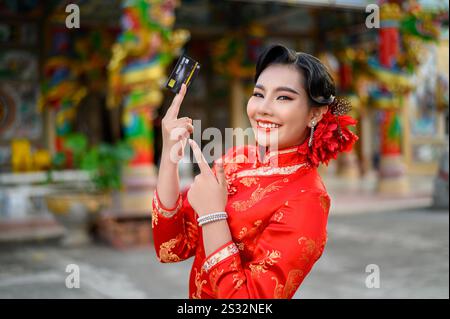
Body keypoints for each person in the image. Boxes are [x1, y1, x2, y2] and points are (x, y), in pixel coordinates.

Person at [152, 44, 358, 299]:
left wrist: (213, 215)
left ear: (314, 114)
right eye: (259, 94)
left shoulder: (308, 199)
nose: (263, 108)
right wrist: (170, 154)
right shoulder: (237, 159)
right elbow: (170, 247)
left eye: (283, 97)